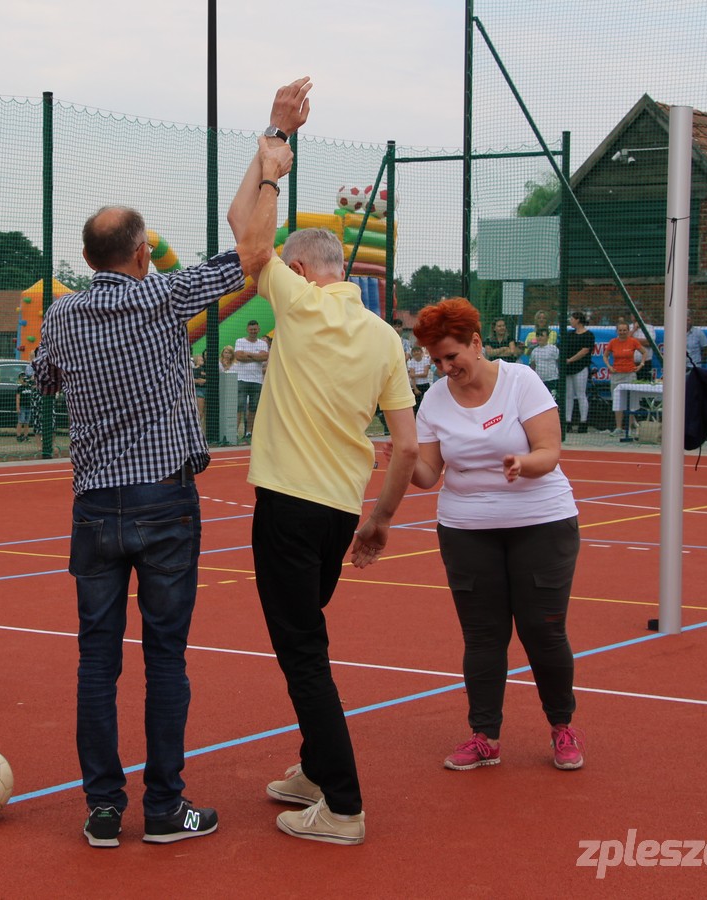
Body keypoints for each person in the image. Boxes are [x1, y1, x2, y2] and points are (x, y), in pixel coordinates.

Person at [31, 80, 296, 849]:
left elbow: (44, 378)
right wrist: (273, 158)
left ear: (86, 258)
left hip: (94, 506)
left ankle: (103, 808)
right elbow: (253, 253)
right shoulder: (163, 295)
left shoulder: (63, 310)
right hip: (163, 502)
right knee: (166, 660)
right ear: (143, 253)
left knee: (95, 663)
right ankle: (163, 806)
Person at [229, 81, 417, 848]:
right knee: (309, 638)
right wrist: (378, 521)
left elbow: (245, 231)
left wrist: (275, 142)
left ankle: (342, 804)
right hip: (341, 510)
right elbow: (405, 444)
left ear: (301, 269)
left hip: (286, 503)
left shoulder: (297, 302)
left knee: (302, 653)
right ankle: (313, 768)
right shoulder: (383, 337)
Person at [407, 297, 584, 774]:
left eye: (452, 356)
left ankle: (561, 726)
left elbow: (549, 451)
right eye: (437, 360)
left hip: (541, 522)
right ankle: (484, 736)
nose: (445, 368)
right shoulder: (435, 400)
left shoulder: (520, 381)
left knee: (542, 630)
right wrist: (403, 461)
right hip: (467, 529)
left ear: (477, 343)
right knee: (483, 636)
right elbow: (429, 473)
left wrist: (523, 464)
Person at [604, 319, 644, 437]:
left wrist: (641, 365)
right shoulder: (613, 342)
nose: (622, 332)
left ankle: (631, 425)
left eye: (624, 330)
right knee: (617, 401)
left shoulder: (633, 341)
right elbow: (605, 356)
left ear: (628, 331)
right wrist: (609, 367)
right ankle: (618, 427)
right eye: (620, 330)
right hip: (616, 374)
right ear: (617, 331)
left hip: (630, 374)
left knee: (631, 399)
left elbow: (644, 352)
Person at [561, 310, 595, 434]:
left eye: (572, 319)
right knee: (568, 395)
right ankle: (568, 421)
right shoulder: (570, 334)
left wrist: (571, 360)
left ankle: (583, 421)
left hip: (580, 367)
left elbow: (585, 350)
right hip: (568, 368)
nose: (570, 321)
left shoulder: (588, 335)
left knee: (581, 394)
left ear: (578, 320)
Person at [234, 320, 270, 439]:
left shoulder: (263, 343)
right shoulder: (240, 341)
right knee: (240, 405)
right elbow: (239, 356)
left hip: (257, 380)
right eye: (251, 329)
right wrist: (256, 357)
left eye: (255, 329)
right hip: (242, 379)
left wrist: (248, 354)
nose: (253, 331)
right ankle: (234, 432)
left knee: (253, 407)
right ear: (247, 330)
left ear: (258, 330)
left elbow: (265, 357)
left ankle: (249, 431)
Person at [528, 328, 560, 397]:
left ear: (548, 337)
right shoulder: (534, 351)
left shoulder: (553, 348)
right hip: (540, 381)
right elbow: (533, 366)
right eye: (538, 335)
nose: (539, 337)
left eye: (542, 335)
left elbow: (559, 362)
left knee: (553, 399)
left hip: (552, 380)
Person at [15, 373, 36, 443]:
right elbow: (18, 398)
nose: (23, 380)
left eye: (24, 378)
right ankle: (18, 436)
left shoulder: (30, 387)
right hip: (22, 407)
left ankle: (26, 436)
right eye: (22, 379)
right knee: (21, 421)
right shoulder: (20, 388)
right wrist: (18, 407)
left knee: (27, 422)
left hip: (29, 407)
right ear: (20, 380)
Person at [192, 353, 208, 431]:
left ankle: (204, 430)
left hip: (207, 390)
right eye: (200, 360)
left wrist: (204, 380)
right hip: (199, 391)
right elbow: (192, 380)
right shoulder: (194, 370)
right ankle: (197, 429)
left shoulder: (205, 368)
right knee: (200, 412)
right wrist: (198, 381)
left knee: (206, 413)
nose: (202, 361)